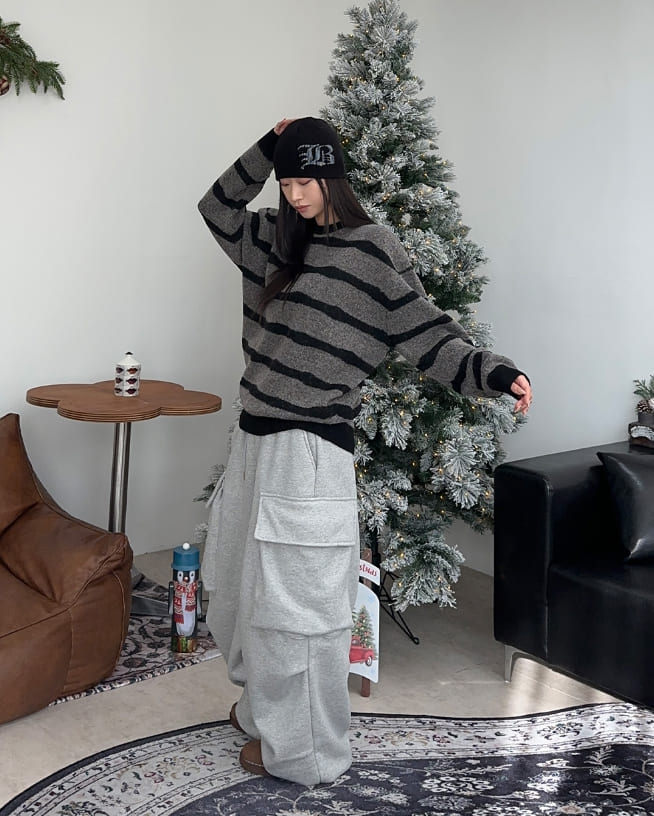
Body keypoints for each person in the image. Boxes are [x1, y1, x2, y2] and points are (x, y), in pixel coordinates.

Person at [198, 116, 532, 786]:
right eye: (286, 182)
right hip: (252, 443)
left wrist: (493, 373)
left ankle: (305, 752)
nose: (295, 194)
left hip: (309, 451)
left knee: (298, 614)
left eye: (307, 180)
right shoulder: (271, 240)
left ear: (335, 176)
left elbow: (430, 334)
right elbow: (217, 206)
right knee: (234, 590)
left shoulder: (374, 251)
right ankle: (266, 708)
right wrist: (267, 146)